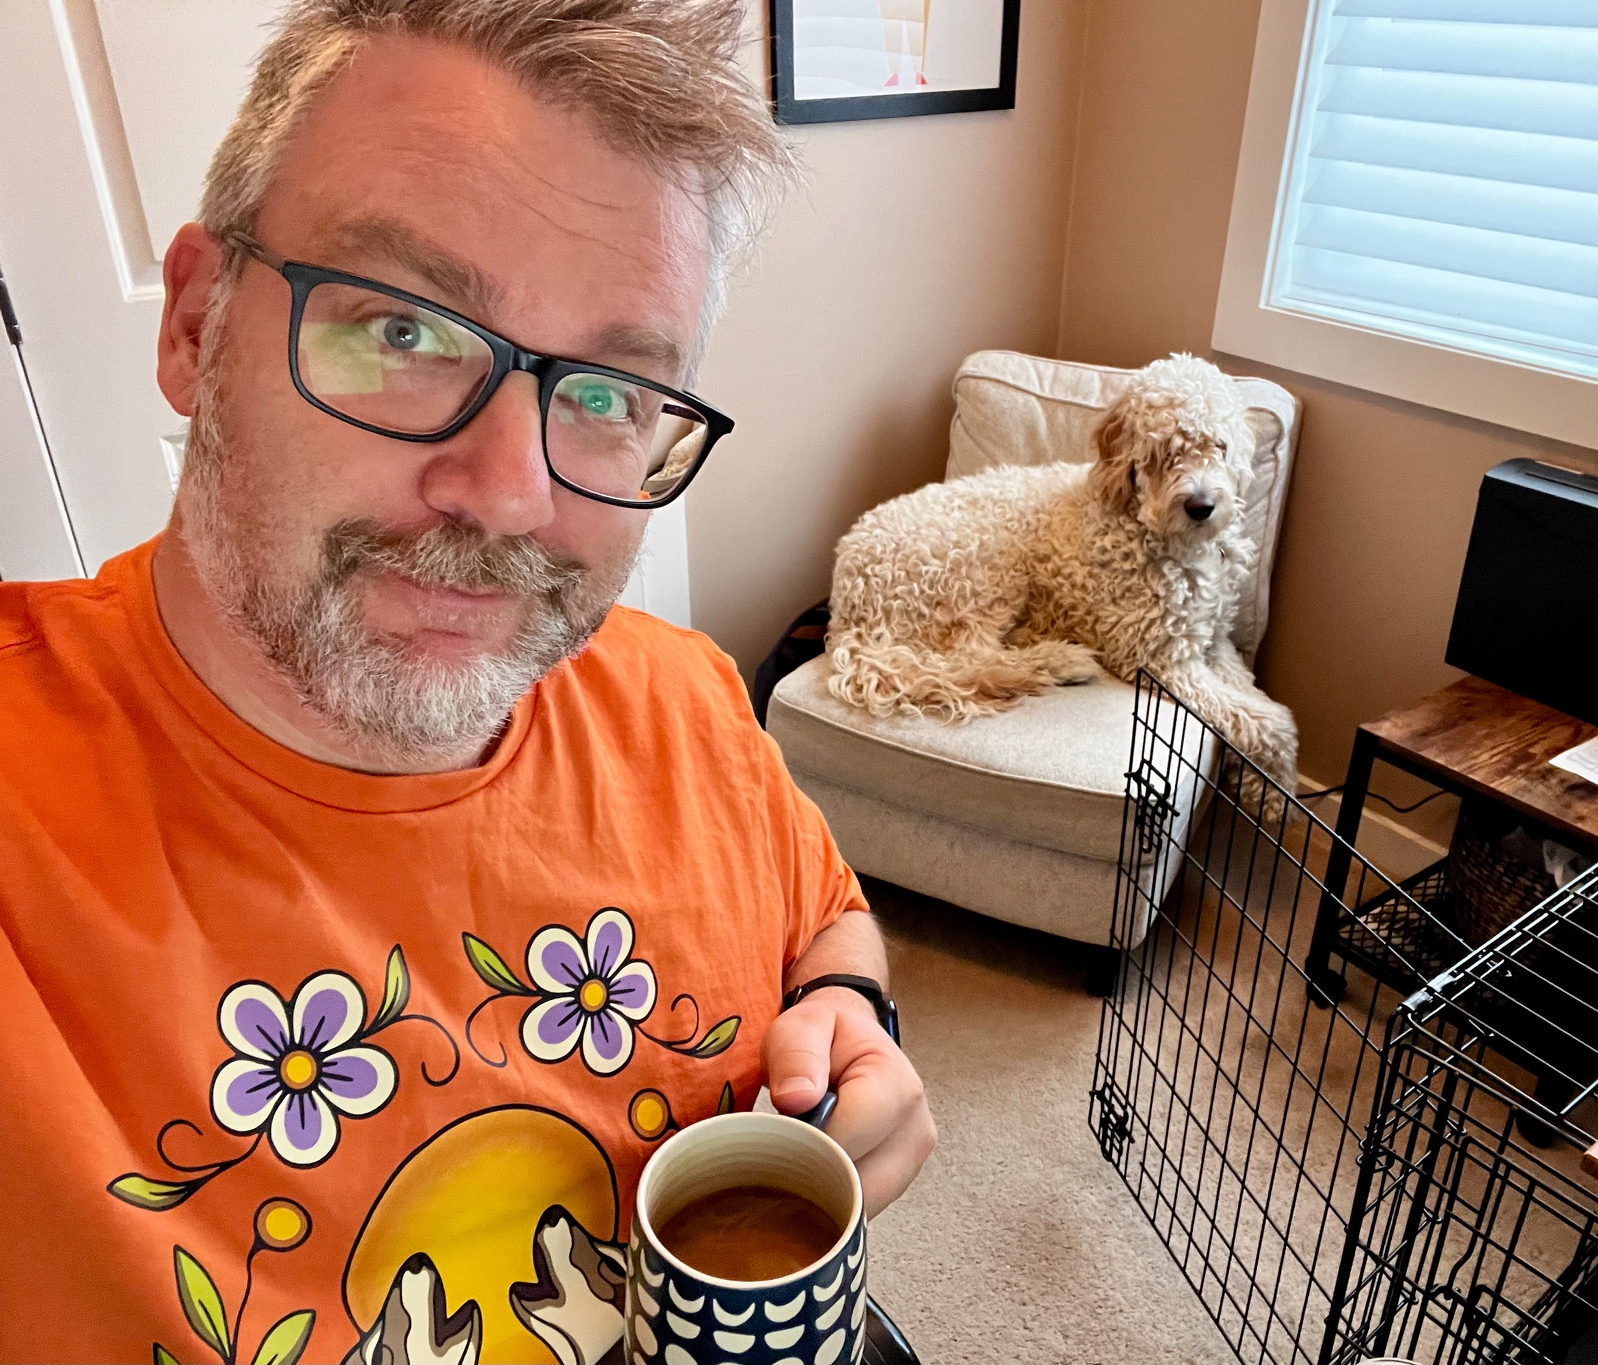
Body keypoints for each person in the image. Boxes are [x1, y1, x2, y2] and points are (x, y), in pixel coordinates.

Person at [0, 2, 934, 1360]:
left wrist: (854, 1011)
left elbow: (823, 921)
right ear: (198, 324)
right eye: (401, 330)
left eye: (612, 393)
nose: (510, 495)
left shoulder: (686, 698)